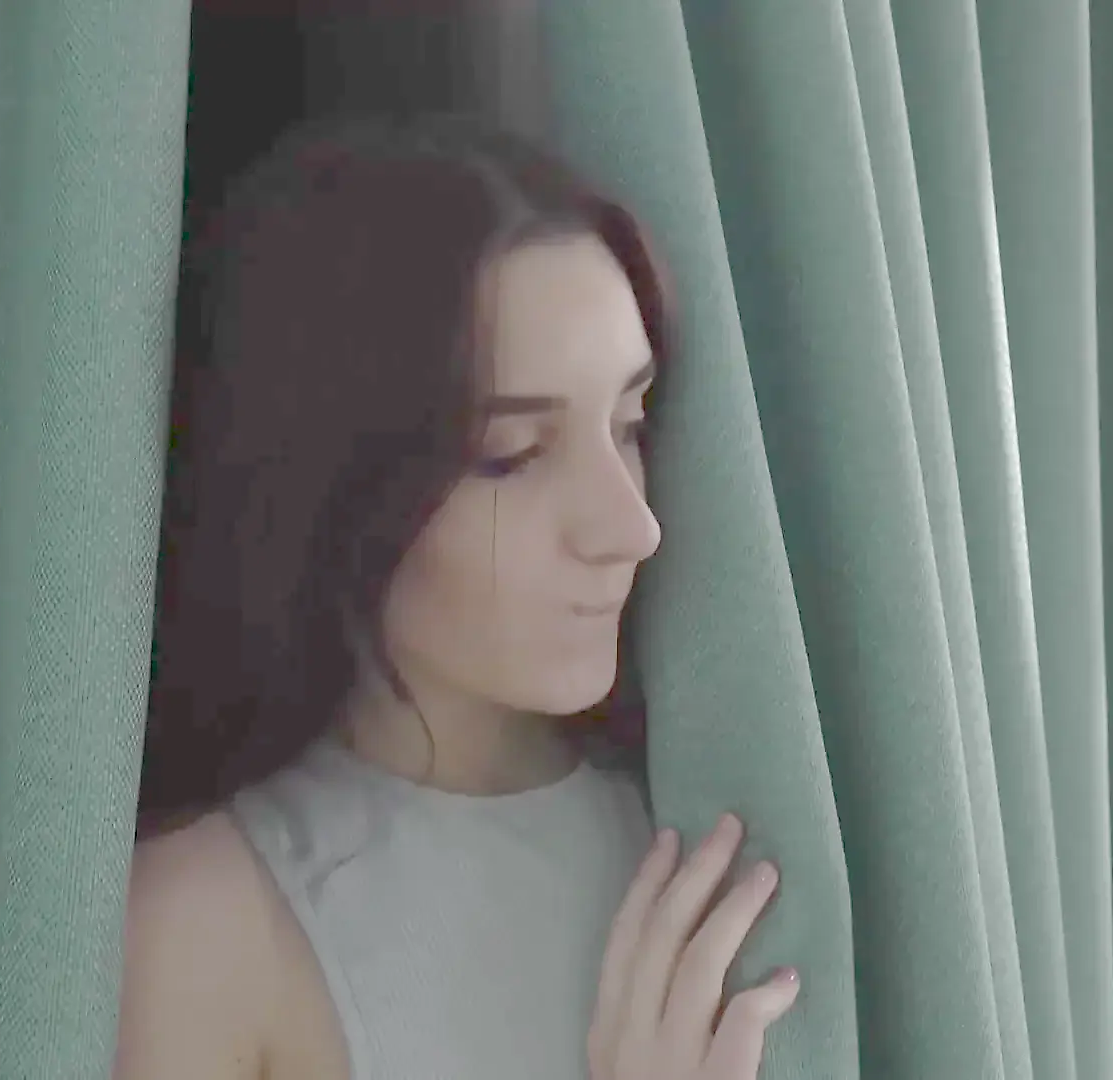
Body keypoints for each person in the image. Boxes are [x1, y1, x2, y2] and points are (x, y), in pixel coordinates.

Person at [114, 114, 799, 1080]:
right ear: (336, 491)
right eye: (511, 456)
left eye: (630, 423)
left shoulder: (718, 819)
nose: (631, 527)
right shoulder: (206, 928)